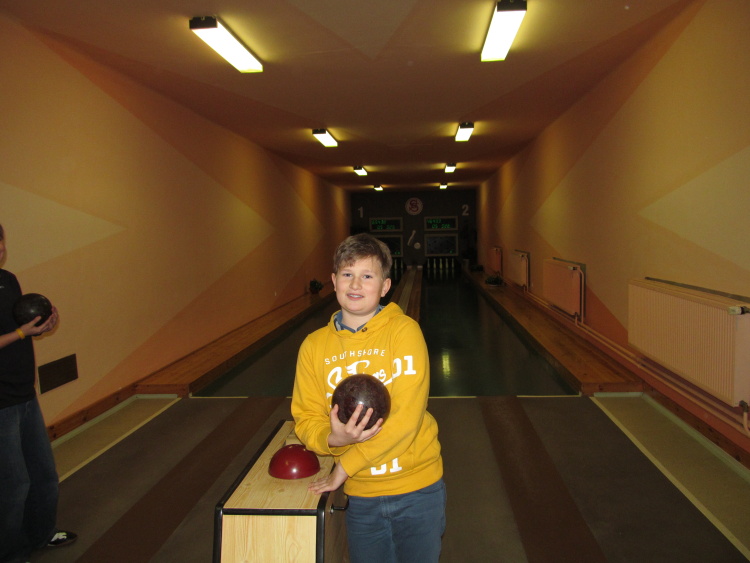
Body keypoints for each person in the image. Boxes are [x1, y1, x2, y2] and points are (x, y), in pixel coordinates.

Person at [292, 233, 445, 563]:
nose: (355, 284)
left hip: (418, 488)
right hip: (361, 496)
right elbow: (305, 418)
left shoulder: (403, 332)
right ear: (334, 280)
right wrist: (332, 438)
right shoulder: (313, 347)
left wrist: (346, 465)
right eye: (347, 273)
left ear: (385, 286)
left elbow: (406, 419)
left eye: (367, 276)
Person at [0, 224, 77, 563]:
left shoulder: (8, 280)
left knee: (43, 474)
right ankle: (10, 553)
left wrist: (41, 326)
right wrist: (21, 333)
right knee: (13, 484)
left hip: (24, 392)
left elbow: (20, 326)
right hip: (1, 403)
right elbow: (15, 332)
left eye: (0, 243)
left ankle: (41, 533)